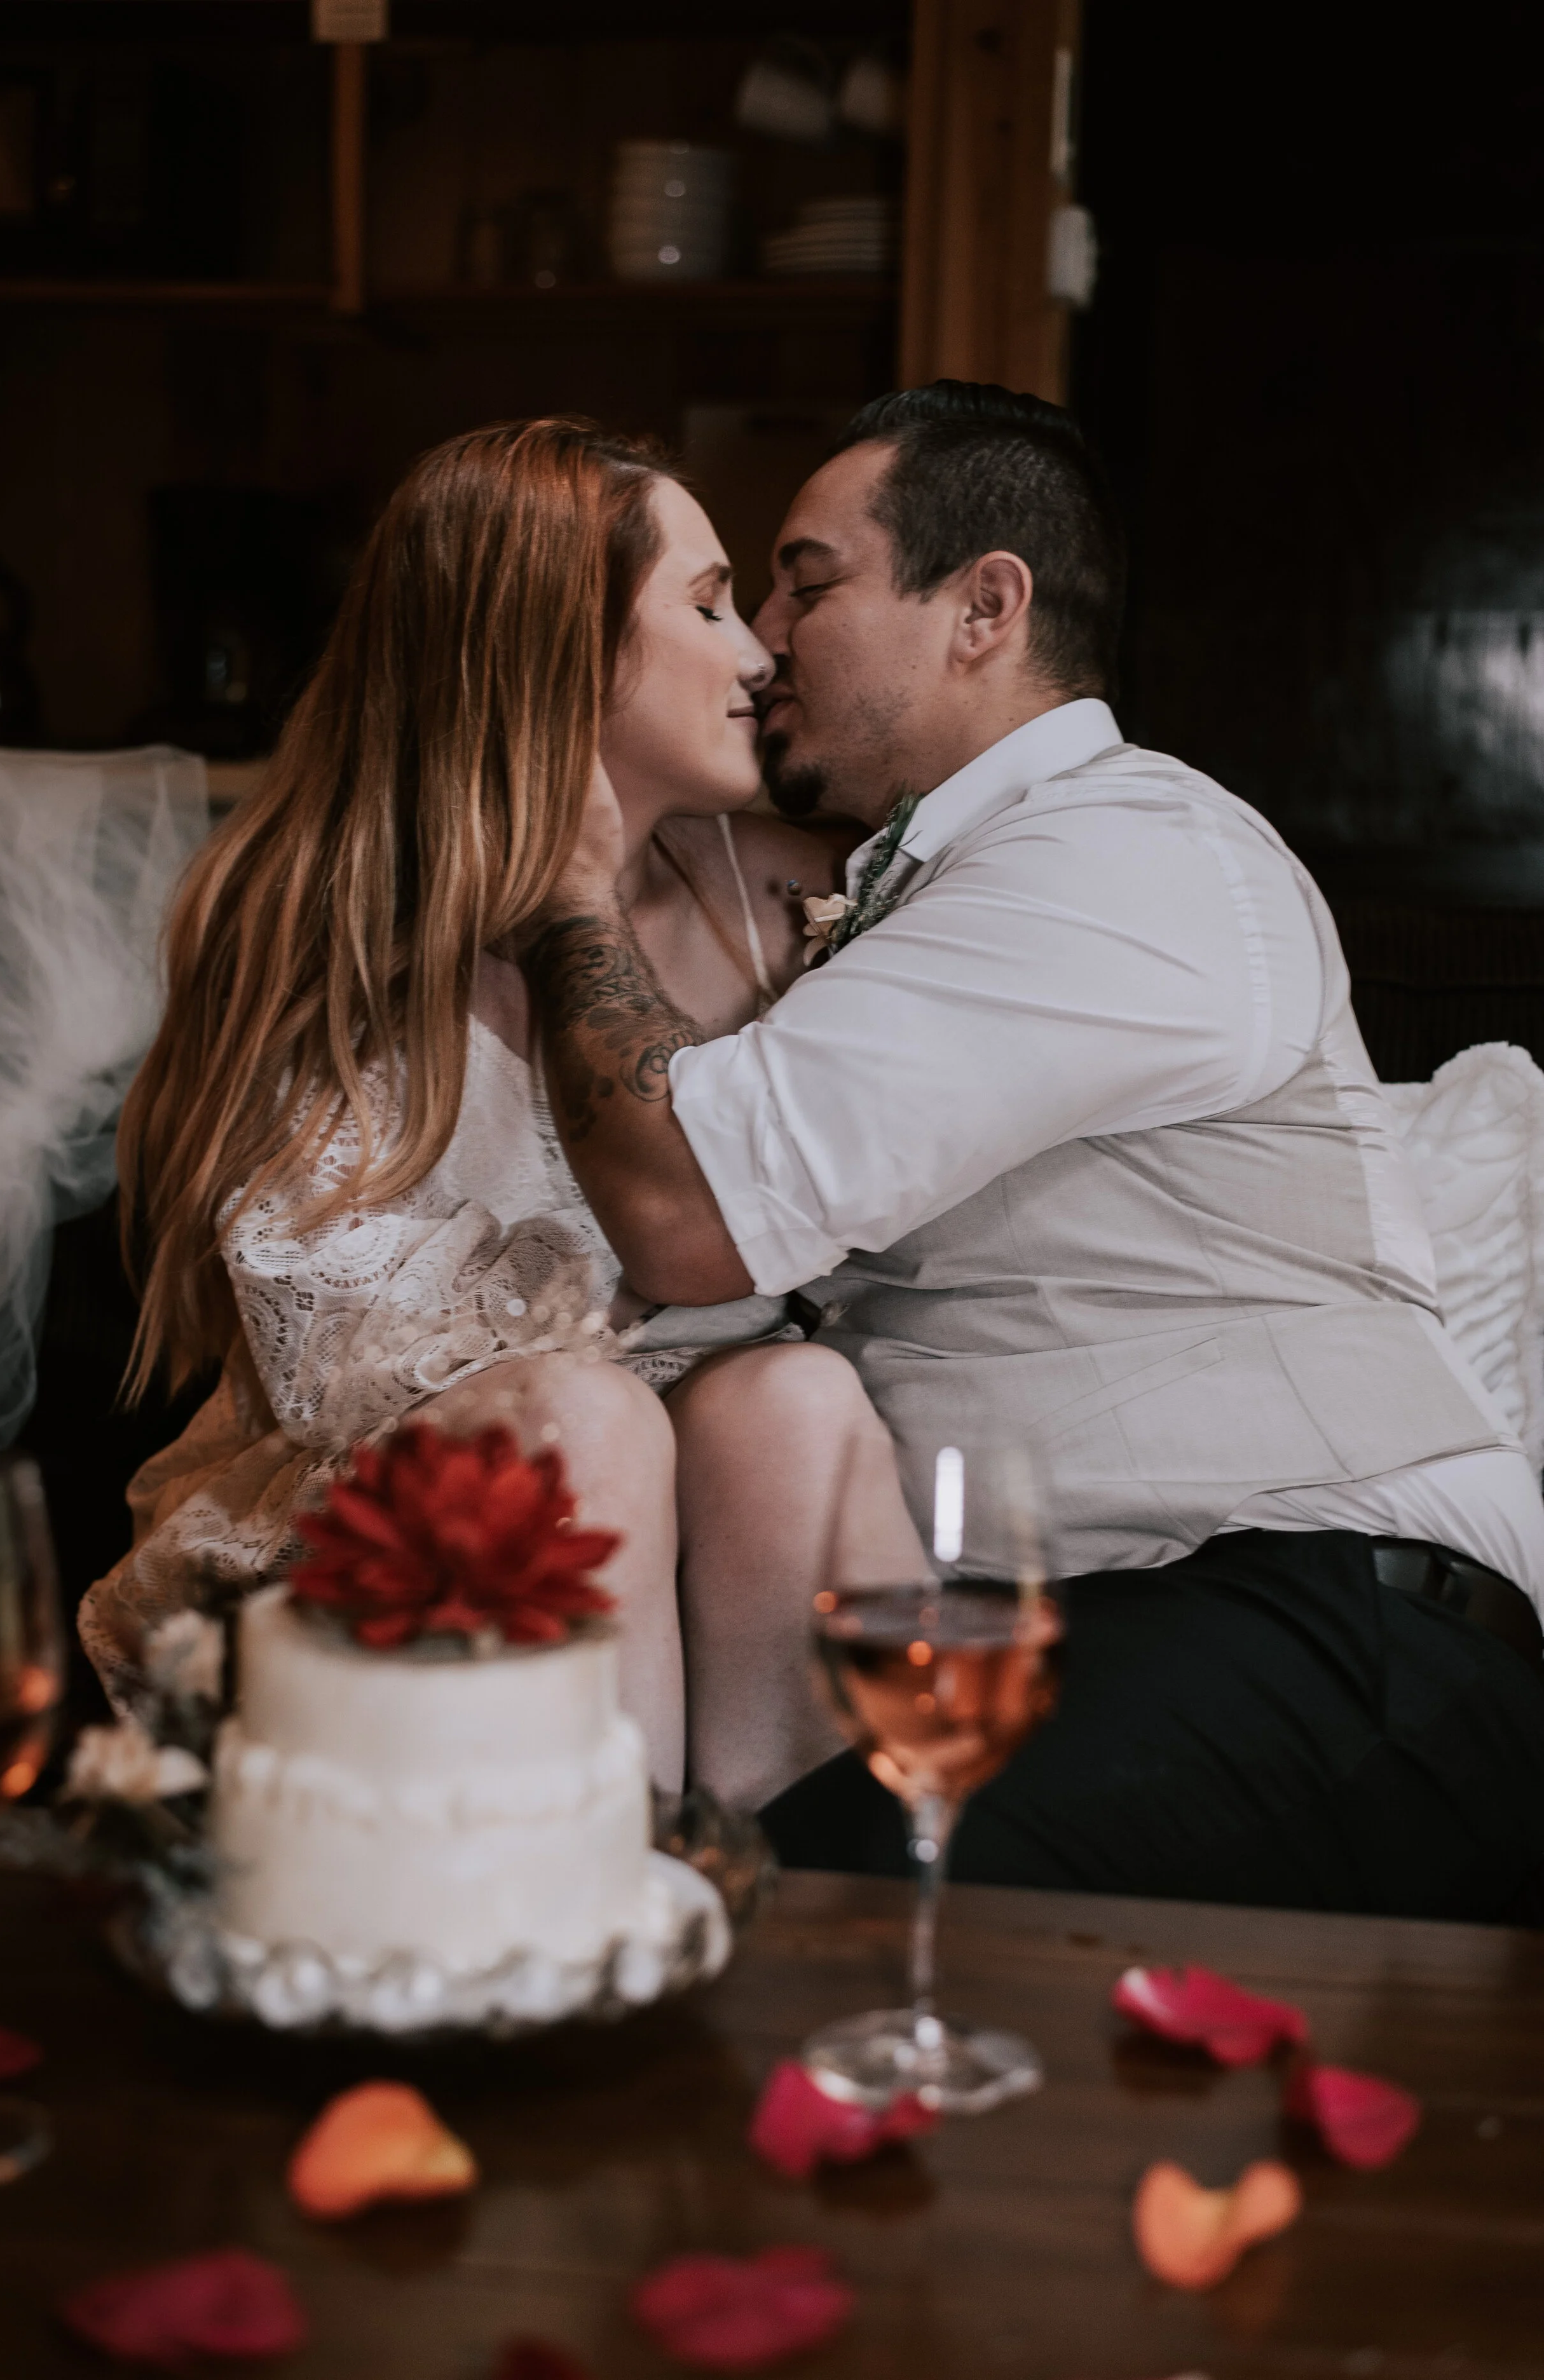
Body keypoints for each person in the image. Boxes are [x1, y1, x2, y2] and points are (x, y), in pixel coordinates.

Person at [522, 379, 1544, 1923]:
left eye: (805, 584)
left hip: (1325, 1620)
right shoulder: (944, 880)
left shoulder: (1120, 852)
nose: (765, 643)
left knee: (818, 1909)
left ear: (982, 606)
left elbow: (686, 1211)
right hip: (1095, 1622)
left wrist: (565, 900)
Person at [82, 418, 923, 1797]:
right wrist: (621, 1374)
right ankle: (592, 1926)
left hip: (688, 1501)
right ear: (562, 647)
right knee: (589, 1421)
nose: (760, 653)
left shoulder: (790, 901)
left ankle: (799, 1912)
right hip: (388, 1519)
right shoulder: (312, 915)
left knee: (798, 1400)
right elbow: (330, 1359)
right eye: (708, 606)